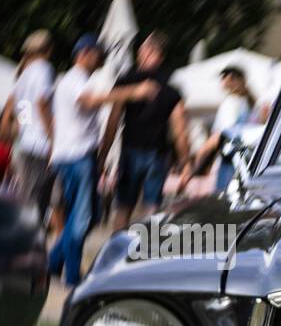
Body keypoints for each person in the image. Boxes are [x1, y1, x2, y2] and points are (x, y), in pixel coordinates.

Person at [47, 34, 158, 287]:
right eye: (97, 53)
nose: (101, 57)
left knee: (91, 215)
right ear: (84, 53)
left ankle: (53, 263)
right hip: (75, 157)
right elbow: (89, 100)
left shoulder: (80, 80)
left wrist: (99, 156)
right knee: (84, 217)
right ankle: (73, 277)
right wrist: (133, 92)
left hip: (78, 157)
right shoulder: (73, 80)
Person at [100, 31, 190, 233]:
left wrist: (103, 154)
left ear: (147, 52)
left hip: (130, 151)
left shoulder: (126, 81)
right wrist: (186, 164)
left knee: (123, 208)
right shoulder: (171, 86)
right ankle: (146, 255)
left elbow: (113, 121)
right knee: (152, 209)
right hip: (157, 154)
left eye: (143, 49)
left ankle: (116, 255)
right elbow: (180, 131)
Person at [1, 30, 55, 220]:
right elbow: (42, 103)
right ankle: (29, 245)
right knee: (38, 202)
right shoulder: (44, 69)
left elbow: (21, 108)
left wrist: (25, 130)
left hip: (25, 144)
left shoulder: (23, 73)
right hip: (40, 146)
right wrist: (52, 137)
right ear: (48, 49)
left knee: (26, 201)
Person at [181, 65, 255, 193]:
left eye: (223, 77)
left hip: (229, 161)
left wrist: (198, 160)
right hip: (246, 160)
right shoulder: (247, 103)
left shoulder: (231, 103)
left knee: (224, 199)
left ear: (231, 79)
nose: (221, 82)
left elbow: (222, 135)